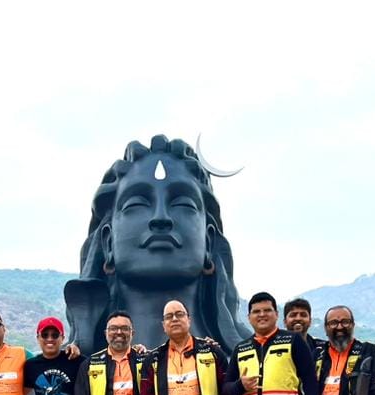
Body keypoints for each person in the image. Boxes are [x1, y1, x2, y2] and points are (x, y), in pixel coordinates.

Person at [64, 135, 243, 354]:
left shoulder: (245, 361)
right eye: (136, 204)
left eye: (183, 204)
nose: (160, 217)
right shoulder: (75, 368)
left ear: (208, 241)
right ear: (107, 241)